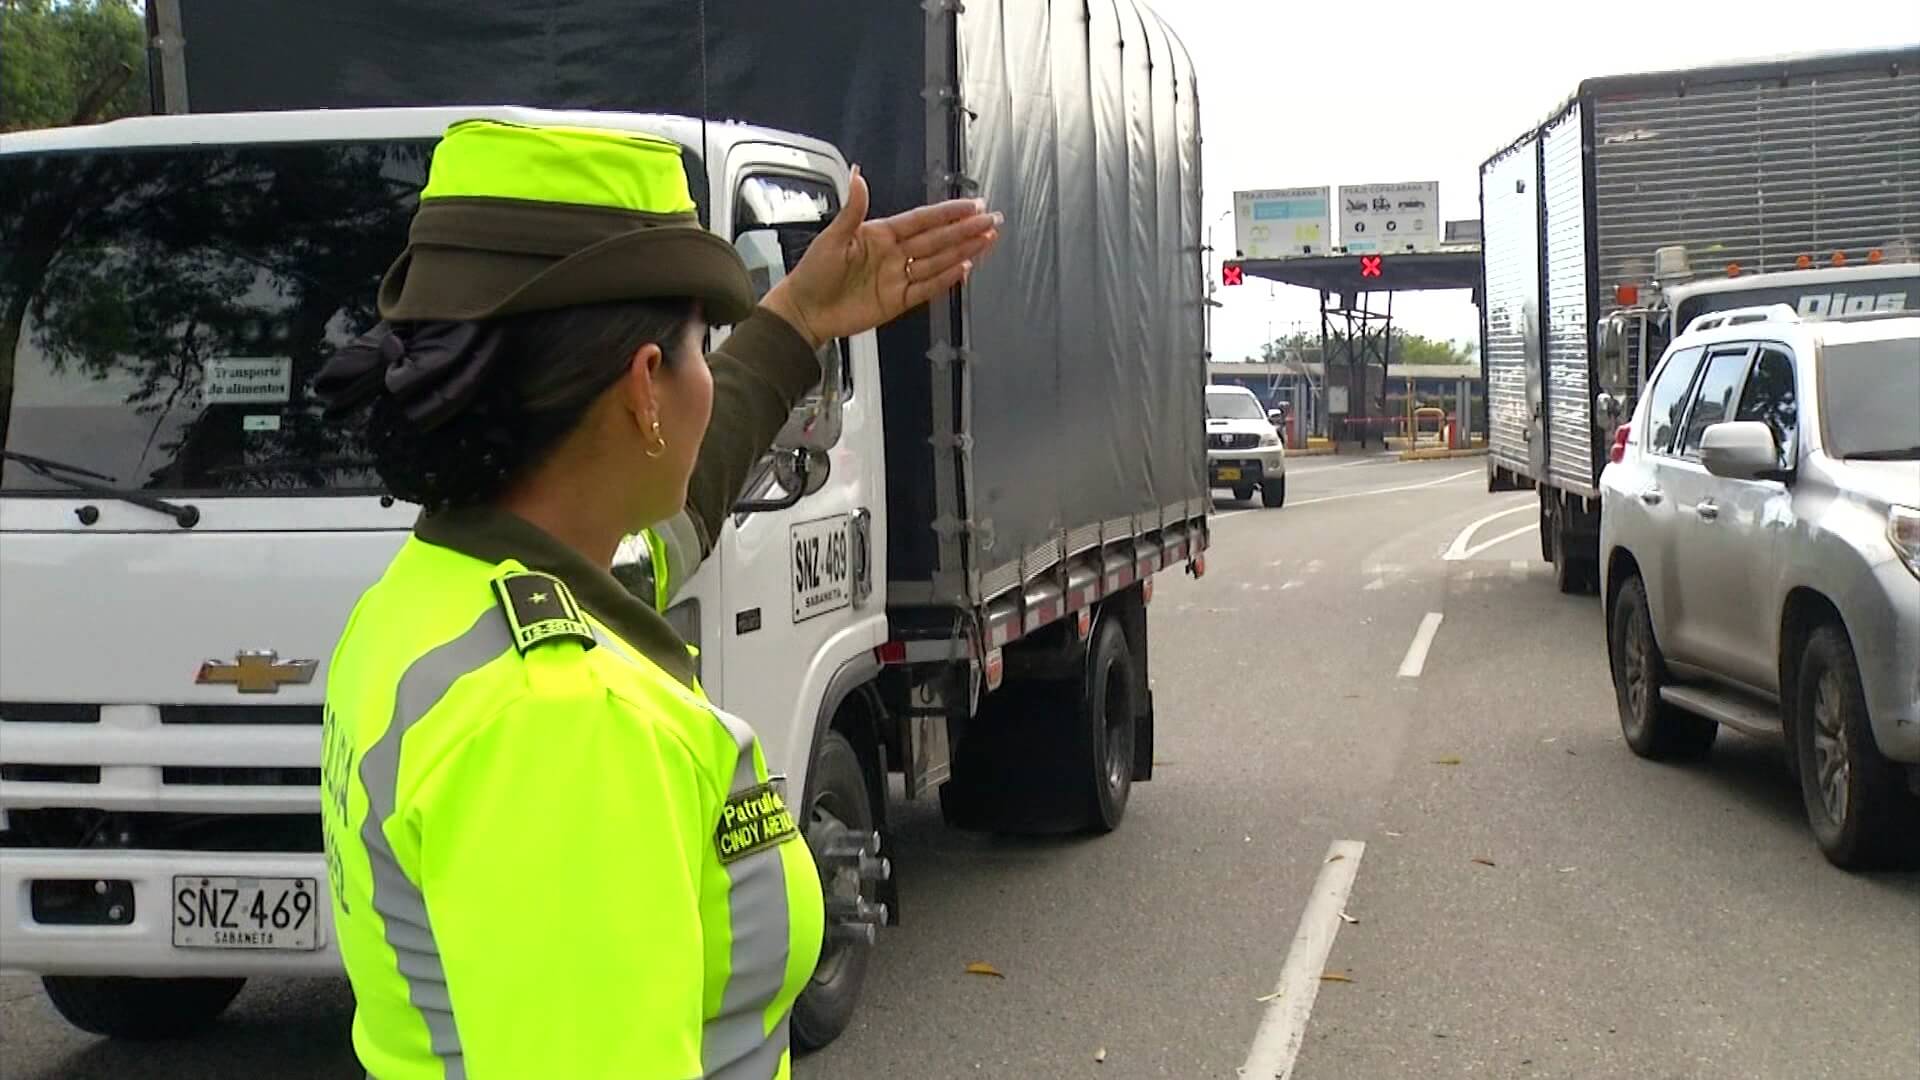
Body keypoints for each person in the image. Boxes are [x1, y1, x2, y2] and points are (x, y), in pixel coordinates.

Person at [314, 117, 998, 1080]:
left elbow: (667, 529)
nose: (707, 383)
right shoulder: (564, 726)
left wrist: (795, 323)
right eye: (697, 348)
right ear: (644, 385)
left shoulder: (438, 601)